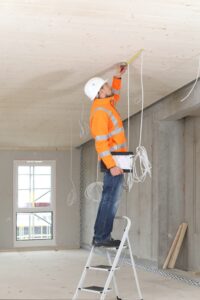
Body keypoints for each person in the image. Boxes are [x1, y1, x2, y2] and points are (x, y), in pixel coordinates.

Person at [84, 63, 128, 247]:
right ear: (100, 93)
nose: (109, 86)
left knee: (111, 198)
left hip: (117, 158)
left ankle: (101, 236)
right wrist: (112, 165)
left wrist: (118, 77)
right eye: (106, 85)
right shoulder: (101, 112)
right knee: (110, 199)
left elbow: (115, 95)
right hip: (112, 161)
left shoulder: (106, 104)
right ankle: (102, 237)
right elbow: (101, 143)